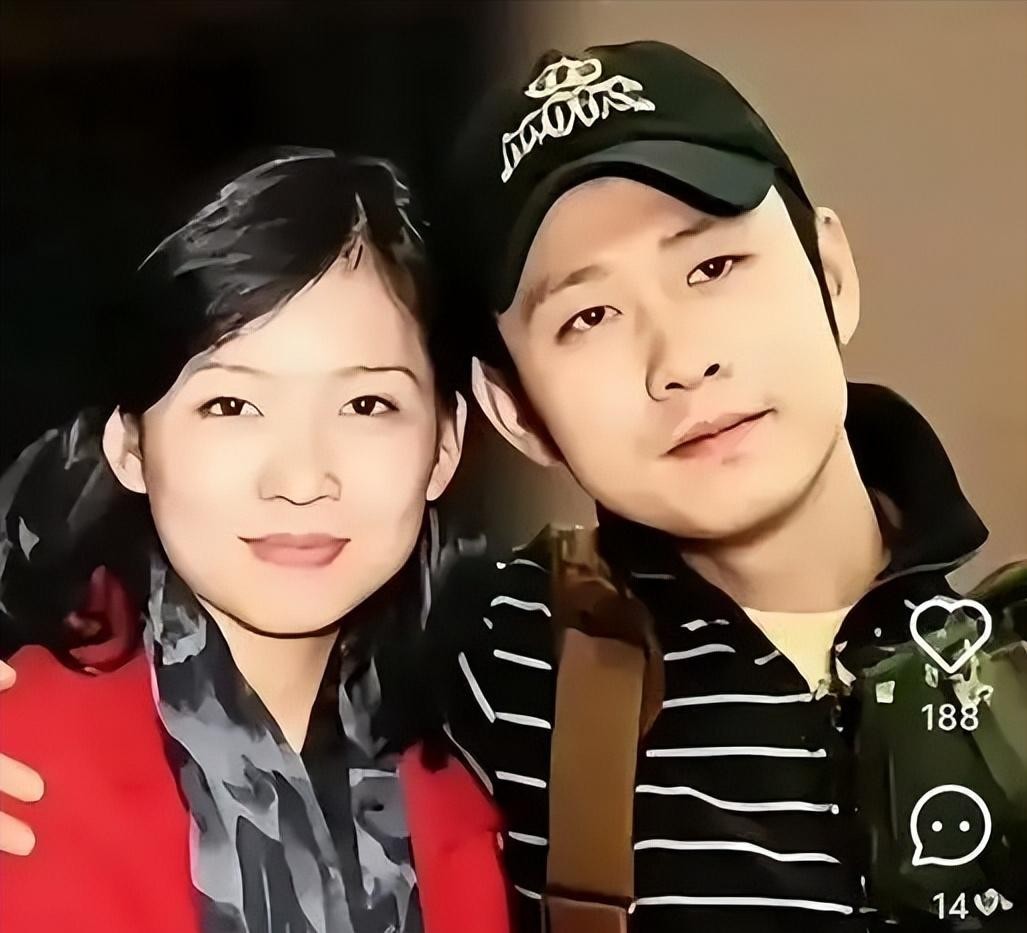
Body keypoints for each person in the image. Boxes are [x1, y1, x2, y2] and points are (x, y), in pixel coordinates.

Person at [427, 41, 1027, 932]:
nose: (680, 360)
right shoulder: (490, 664)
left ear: (831, 275)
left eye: (712, 268)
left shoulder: (1006, 666)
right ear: (514, 411)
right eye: (589, 315)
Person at [0, 149, 509, 933]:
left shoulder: (475, 794)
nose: (301, 478)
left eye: (366, 404)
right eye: (231, 406)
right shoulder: (25, 764)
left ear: (444, 444)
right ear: (129, 444)